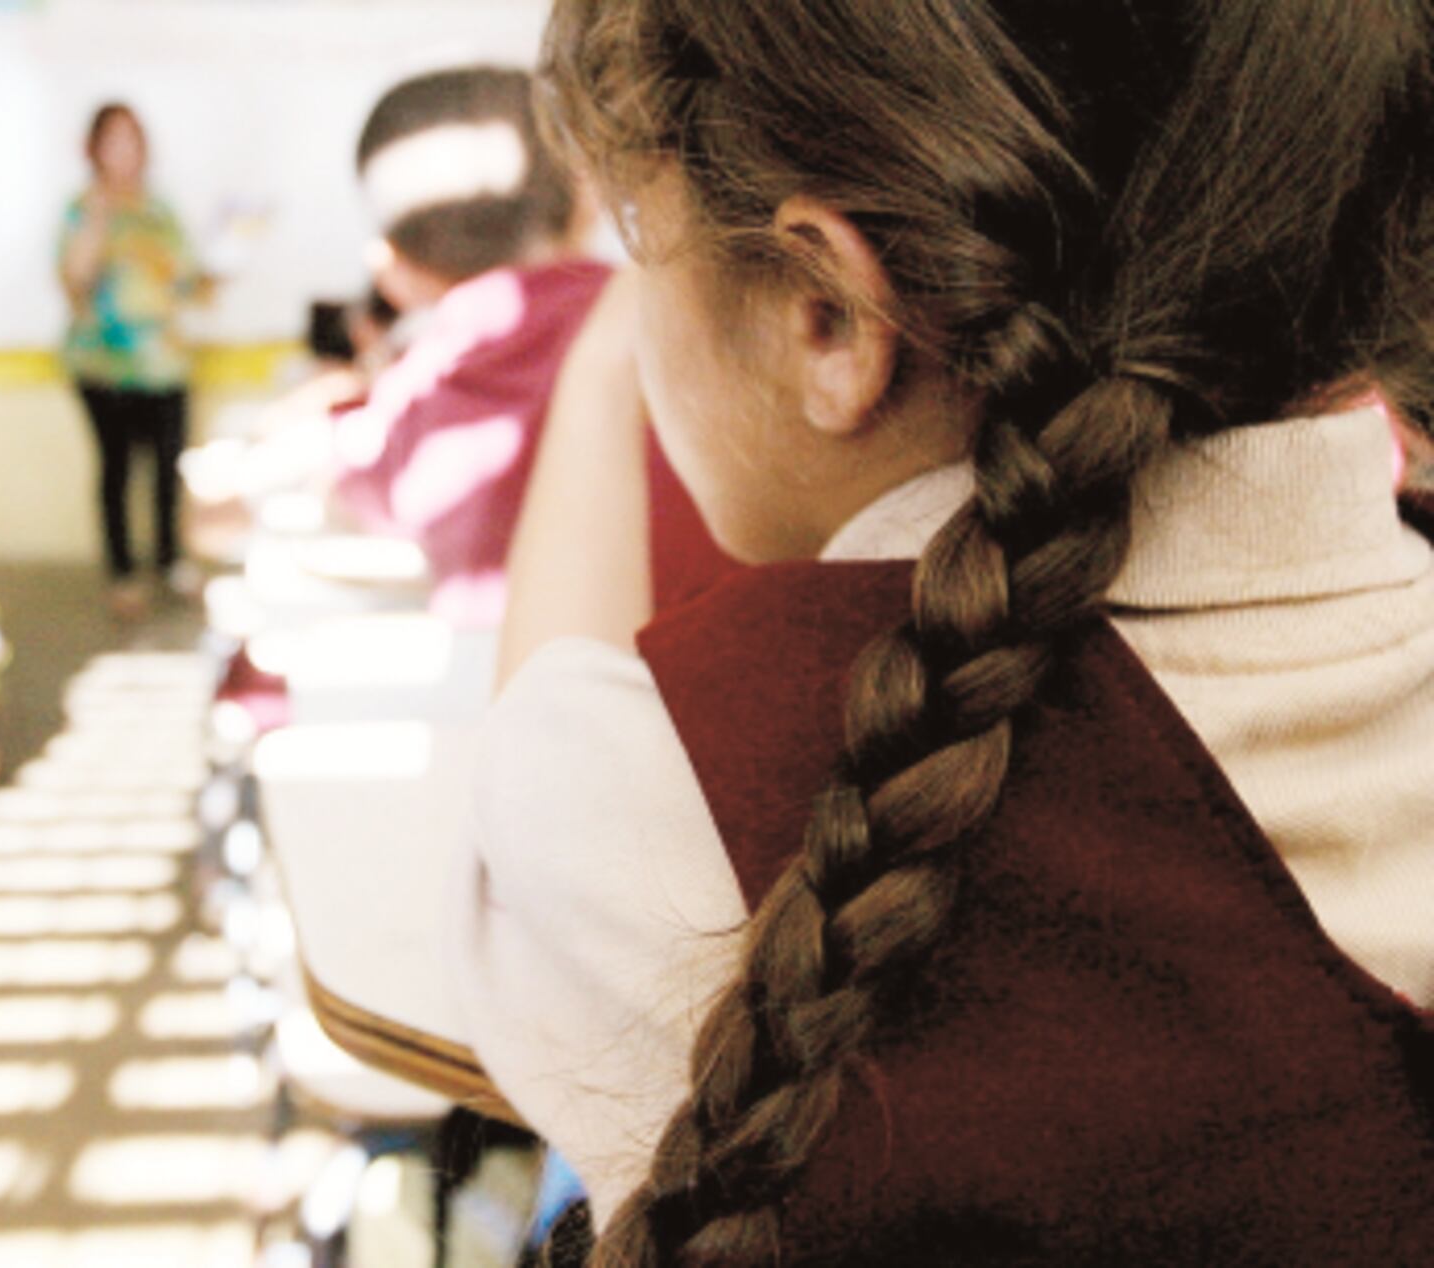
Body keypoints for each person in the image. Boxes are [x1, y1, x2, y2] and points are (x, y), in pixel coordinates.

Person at [458, 2, 1434, 1264]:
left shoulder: (653, 790)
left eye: (639, 242)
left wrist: (592, 376)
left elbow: (532, 742)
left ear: (827, 314)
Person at [328, 67, 620, 627]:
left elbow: (359, 482)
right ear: (586, 196)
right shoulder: (653, 314)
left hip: (504, 686)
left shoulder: (431, 375)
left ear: (398, 262)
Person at [59, 102, 204, 616]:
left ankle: (170, 559)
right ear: (94, 149)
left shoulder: (160, 211)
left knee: (169, 468)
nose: (126, 150)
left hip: (165, 362)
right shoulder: (83, 208)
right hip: (105, 366)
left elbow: (186, 279)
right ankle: (122, 573)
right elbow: (75, 281)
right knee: (118, 469)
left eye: (134, 138)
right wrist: (101, 214)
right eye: (114, 140)